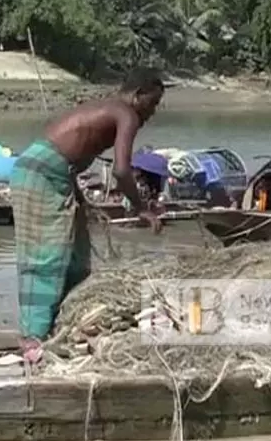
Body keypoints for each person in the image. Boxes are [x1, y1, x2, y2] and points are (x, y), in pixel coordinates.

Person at [11, 68, 167, 363]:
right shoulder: (127, 114)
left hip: (57, 175)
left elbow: (73, 154)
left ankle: (64, 324)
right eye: (153, 103)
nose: (153, 112)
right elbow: (122, 170)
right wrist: (142, 208)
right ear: (138, 96)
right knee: (48, 254)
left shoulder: (112, 108)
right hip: (41, 172)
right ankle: (33, 339)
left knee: (77, 254)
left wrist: (79, 195)